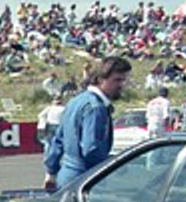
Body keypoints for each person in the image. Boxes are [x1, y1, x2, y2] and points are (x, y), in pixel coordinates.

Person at [44, 55, 131, 190]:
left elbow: (58, 140)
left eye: (124, 80)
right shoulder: (96, 108)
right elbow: (92, 150)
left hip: (66, 176)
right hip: (84, 179)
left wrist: (51, 171)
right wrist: (116, 164)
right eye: (117, 80)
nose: (122, 85)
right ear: (101, 79)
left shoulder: (75, 101)